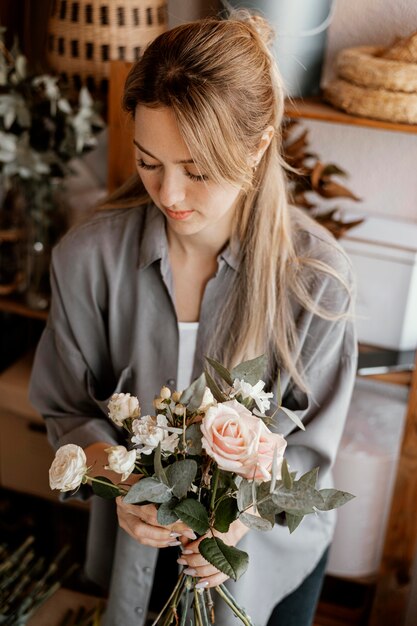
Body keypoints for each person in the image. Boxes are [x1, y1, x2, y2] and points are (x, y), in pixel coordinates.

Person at [29, 9, 357, 626]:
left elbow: (311, 452)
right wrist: (120, 484)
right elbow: (66, 408)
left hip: (266, 563)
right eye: (148, 161)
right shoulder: (85, 260)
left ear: (258, 146)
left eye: (198, 170)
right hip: (138, 550)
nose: (170, 195)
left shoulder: (318, 281)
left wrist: (239, 523)